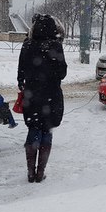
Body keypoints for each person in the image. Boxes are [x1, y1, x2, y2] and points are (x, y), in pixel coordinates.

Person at [17, 14, 67, 183]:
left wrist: (27, 83)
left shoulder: (27, 45)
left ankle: (30, 172)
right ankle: (40, 172)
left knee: (33, 129)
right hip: (51, 96)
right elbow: (62, 73)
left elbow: (20, 73)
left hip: (32, 96)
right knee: (46, 130)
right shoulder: (55, 46)